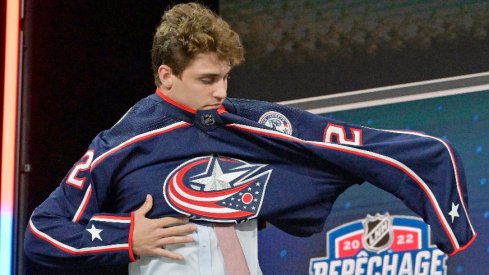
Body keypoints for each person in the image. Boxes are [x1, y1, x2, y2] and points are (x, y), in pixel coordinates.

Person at [25, 2, 477, 275]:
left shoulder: (252, 122)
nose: (220, 92)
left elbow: (358, 146)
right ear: (166, 76)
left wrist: (437, 186)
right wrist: (126, 236)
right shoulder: (121, 142)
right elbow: (43, 235)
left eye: (225, 77)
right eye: (206, 79)